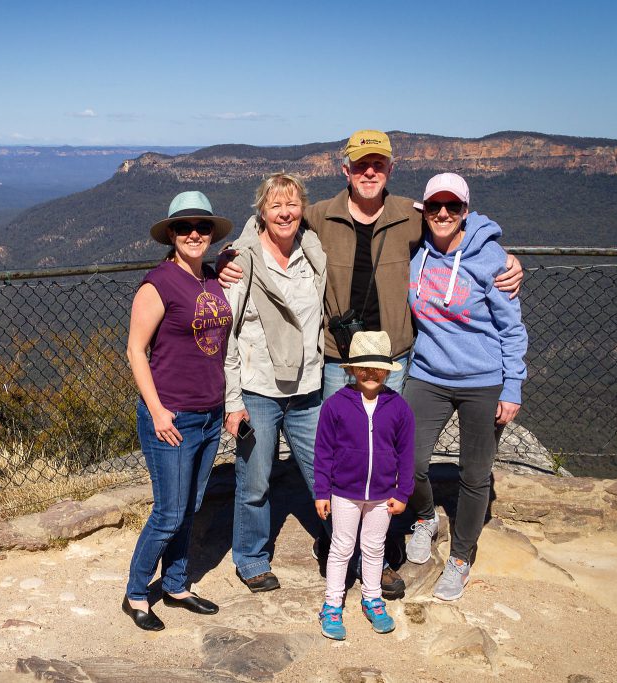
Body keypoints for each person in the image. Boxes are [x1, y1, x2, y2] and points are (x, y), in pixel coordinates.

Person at [219, 129, 524, 598]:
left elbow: (460, 224)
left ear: (389, 170)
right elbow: (266, 223)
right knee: (342, 457)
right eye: (360, 165)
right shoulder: (319, 214)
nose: (368, 172)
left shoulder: (411, 214)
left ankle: (378, 555)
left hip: (394, 360)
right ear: (345, 170)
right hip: (336, 360)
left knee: (386, 456)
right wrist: (229, 258)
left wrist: (506, 257)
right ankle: (339, 546)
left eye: (377, 165)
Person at [403, 173, 527, 602]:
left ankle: (460, 557)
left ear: (464, 214)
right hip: (428, 376)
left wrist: (513, 386)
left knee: (474, 475)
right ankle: (424, 518)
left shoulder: (490, 260)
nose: (442, 214)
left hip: (483, 382)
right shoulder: (414, 249)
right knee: (408, 458)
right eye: (434, 206)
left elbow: (512, 330)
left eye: (452, 207)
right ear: (424, 210)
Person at [122, 190, 234, 631]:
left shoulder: (210, 278)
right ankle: (135, 593)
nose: (194, 233)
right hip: (172, 415)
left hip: (209, 414)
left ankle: (176, 584)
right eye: (185, 227)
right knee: (169, 511)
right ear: (171, 234)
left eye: (202, 227)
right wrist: (158, 411)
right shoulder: (158, 283)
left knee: (191, 505)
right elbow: (135, 349)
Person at [223, 173, 329, 593]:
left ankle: (339, 545)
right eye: (275, 206)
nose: (285, 213)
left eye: (292, 204)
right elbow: (226, 334)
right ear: (262, 212)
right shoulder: (242, 260)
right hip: (259, 388)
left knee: (326, 474)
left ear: (302, 207)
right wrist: (233, 401)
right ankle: (250, 557)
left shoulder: (313, 249)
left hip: (307, 387)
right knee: (254, 480)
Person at [313, 331, 414, 640]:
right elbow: (323, 450)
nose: (370, 374)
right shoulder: (335, 405)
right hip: (344, 491)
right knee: (342, 547)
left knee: (373, 547)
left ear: (387, 370)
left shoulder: (398, 407)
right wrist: (321, 491)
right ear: (351, 369)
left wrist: (403, 492)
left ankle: (372, 599)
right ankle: (332, 605)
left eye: (377, 368)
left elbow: (407, 453)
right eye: (363, 368)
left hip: (383, 494)